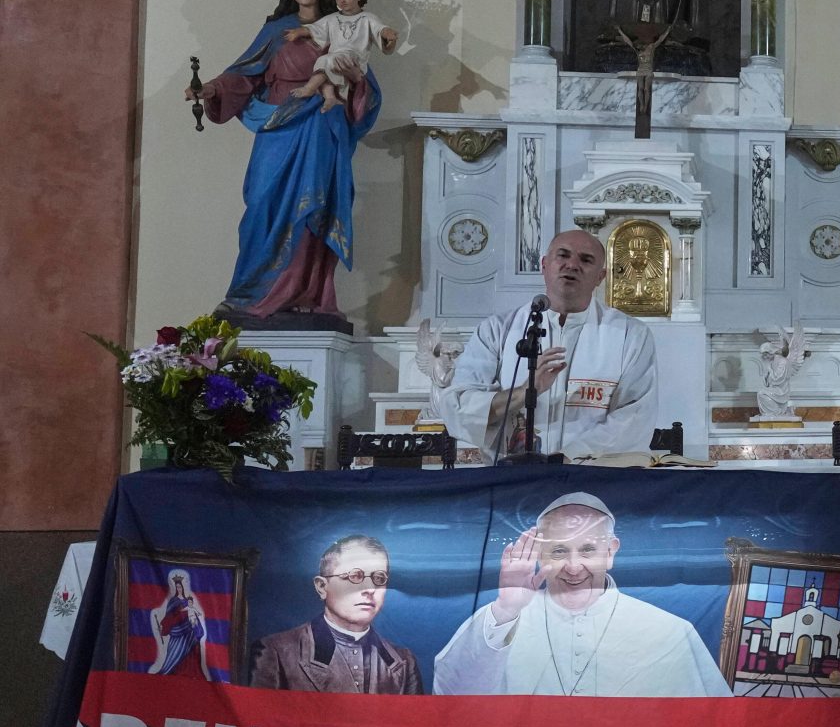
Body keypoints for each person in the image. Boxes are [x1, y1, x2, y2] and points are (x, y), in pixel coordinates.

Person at [195, 0, 379, 325]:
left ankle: (305, 293)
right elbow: (244, 75)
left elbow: (366, 88)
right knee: (261, 201)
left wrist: (355, 78)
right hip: (278, 122)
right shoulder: (276, 31)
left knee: (313, 207)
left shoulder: (342, 27)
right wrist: (211, 88)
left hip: (321, 125)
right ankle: (248, 293)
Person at [433, 491, 729, 696]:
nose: (574, 567)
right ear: (540, 553)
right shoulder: (498, 621)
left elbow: (710, 721)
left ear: (611, 551)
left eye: (588, 550)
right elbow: (452, 695)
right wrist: (505, 610)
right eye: (559, 550)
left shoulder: (669, 632)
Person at [443, 230, 659, 459]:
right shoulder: (498, 330)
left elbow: (635, 416)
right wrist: (523, 393)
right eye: (563, 255)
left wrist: (564, 459)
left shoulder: (630, 335)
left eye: (586, 260)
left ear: (601, 277)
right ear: (544, 265)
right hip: (511, 479)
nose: (572, 265)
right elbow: (458, 406)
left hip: (590, 482)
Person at [248, 534, 423, 694]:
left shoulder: (404, 662)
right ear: (322, 587)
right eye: (356, 576)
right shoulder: (276, 652)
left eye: (379, 578)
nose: (369, 589)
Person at [291, 0, 404, 115]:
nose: (341, 0)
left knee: (327, 61)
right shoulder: (333, 18)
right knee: (325, 62)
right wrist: (301, 31)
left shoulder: (367, 18)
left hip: (354, 59)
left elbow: (379, 29)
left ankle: (309, 88)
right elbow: (317, 29)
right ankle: (330, 97)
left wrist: (387, 33)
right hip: (336, 56)